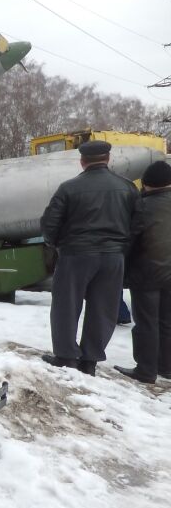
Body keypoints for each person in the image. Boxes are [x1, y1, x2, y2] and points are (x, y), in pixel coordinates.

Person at [39, 140, 138, 375]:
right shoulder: (127, 188)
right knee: (104, 308)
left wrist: (56, 244)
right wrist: (122, 247)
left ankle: (66, 357)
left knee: (66, 305)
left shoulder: (68, 188)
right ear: (108, 159)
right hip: (113, 256)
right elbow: (138, 223)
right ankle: (90, 361)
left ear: (82, 161)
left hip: (76, 254)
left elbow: (49, 224)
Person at [114, 160, 171, 384]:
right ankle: (166, 367)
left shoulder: (143, 206)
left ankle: (146, 370)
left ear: (147, 184)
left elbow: (130, 240)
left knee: (146, 322)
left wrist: (121, 265)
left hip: (146, 274)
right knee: (167, 322)